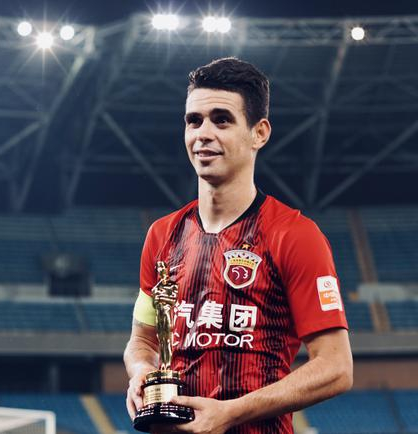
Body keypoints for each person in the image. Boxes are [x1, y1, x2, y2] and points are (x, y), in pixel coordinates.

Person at [124, 57, 353, 434]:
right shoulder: (162, 235)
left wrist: (232, 412)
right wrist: (141, 373)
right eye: (193, 121)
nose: (203, 133)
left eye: (222, 120)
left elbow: (336, 368)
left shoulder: (295, 235)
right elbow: (142, 341)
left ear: (259, 133)